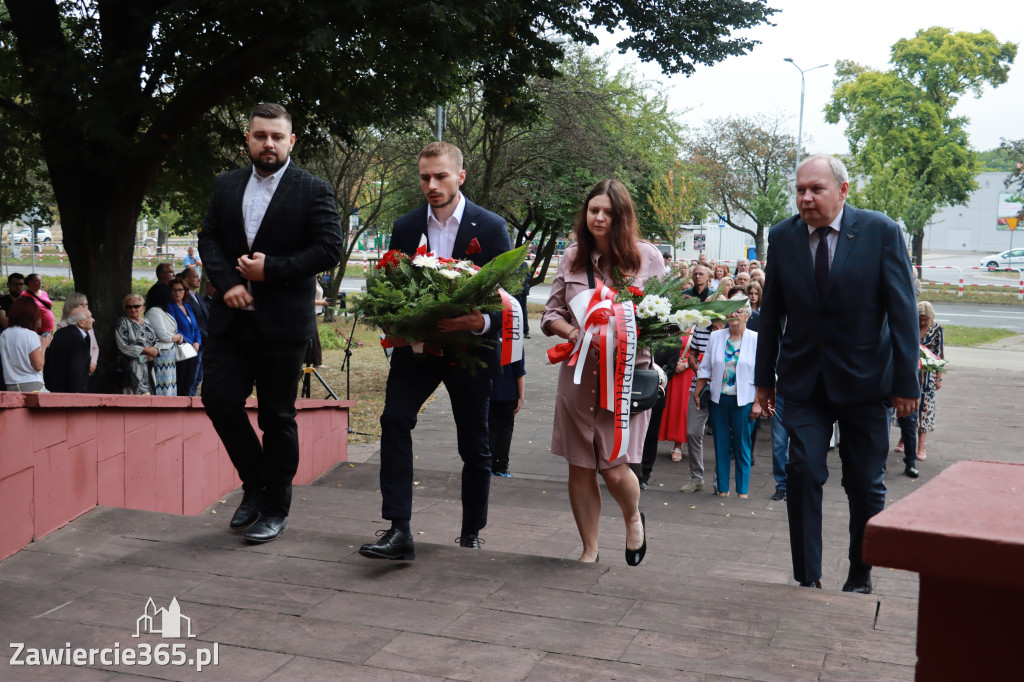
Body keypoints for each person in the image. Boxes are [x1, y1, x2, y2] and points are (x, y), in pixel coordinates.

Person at [755, 154, 919, 594]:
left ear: (843, 191)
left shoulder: (880, 232)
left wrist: (908, 383)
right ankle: (808, 573)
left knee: (865, 483)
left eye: (816, 189)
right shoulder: (783, 237)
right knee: (803, 470)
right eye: (800, 190)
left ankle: (860, 572)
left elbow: (903, 312)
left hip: (867, 383)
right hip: (804, 381)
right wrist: (762, 383)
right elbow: (770, 315)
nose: (806, 198)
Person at [199, 102, 343, 544]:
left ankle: (275, 507)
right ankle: (255, 484)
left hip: (282, 327)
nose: (268, 144)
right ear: (248, 138)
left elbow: (328, 249)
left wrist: (271, 270)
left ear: (291, 141)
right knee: (219, 402)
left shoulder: (312, 189)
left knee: (276, 417)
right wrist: (227, 285)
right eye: (260, 135)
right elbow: (209, 238)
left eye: (277, 137)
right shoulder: (227, 185)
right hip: (231, 322)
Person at [359, 141, 509, 560]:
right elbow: (393, 286)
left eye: (441, 176)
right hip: (417, 349)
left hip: (470, 349)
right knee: (393, 420)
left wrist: (478, 321)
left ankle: (470, 532)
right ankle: (399, 528)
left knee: (474, 444)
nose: (431, 184)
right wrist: (396, 322)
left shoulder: (491, 227)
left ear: (460, 176)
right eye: (425, 177)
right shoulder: (406, 227)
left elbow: (510, 296)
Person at [541, 178, 663, 565]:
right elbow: (550, 314)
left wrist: (627, 331)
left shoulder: (647, 258)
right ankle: (589, 550)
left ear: (622, 217)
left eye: (608, 212)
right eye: (594, 210)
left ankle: (632, 516)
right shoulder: (572, 257)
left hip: (624, 379)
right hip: (578, 379)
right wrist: (578, 331)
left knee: (613, 468)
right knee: (580, 466)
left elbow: (668, 316)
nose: (599, 217)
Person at [694, 294, 760, 497]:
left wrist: (758, 403)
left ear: (748, 316)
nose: (734, 315)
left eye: (739, 311)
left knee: (742, 446)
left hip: (744, 400)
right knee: (721, 445)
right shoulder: (716, 337)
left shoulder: (756, 339)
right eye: (731, 310)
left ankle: (742, 491)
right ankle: (723, 489)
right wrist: (698, 392)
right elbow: (704, 368)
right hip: (718, 399)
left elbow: (762, 374)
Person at [488, 340, 525, 478]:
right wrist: (520, 396)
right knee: (505, 429)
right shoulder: (514, 337)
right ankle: (502, 466)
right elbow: (519, 371)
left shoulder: (486, 334)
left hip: (488, 390)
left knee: (489, 427)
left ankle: (488, 463)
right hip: (509, 391)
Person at [0, 297, 51, 391]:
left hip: (10, 384)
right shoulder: (31, 335)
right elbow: (38, 366)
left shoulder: (4, 334)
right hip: (31, 384)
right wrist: (43, 346)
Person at [915, 301, 944, 462]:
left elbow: (940, 354)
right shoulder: (911, 326)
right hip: (911, 375)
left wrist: (939, 378)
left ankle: (921, 445)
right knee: (909, 409)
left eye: (926, 319)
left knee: (925, 409)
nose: (923, 322)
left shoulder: (937, 329)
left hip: (927, 377)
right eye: (921, 318)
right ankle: (905, 439)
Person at [115, 294, 159, 394]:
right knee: (134, 396)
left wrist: (155, 351)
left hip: (148, 365)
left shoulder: (147, 322)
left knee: (150, 396)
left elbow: (155, 340)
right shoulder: (122, 323)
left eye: (136, 306)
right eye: (129, 307)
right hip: (132, 367)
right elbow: (123, 346)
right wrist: (146, 350)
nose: (133, 309)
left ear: (143, 306)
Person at [144, 284, 182, 396]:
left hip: (169, 354)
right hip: (162, 353)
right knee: (163, 386)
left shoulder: (162, 311)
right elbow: (163, 335)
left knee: (170, 386)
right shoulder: (154, 312)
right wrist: (177, 337)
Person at [44, 308, 94, 393]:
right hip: (71, 395)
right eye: (90, 317)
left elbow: (48, 362)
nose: (93, 320)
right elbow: (77, 373)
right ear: (81, 323)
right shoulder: (78, 340)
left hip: (54, 390)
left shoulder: (59, 333)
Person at [167, 276, 201, 396]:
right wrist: (189, 343)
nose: (177, 293)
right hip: (182, 349)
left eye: (180, 290)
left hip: (193, 349)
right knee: (181, 381)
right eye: (174, 290)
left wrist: (197, 342)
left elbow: (195, 327)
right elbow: (174, 328)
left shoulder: (187, 306)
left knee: (191, 381)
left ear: (185, 291)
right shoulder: (170, 306)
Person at [56, 292, 99, 377]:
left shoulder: (87, 323)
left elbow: (95, 347)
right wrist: (86, 364)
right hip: (74, 370)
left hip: (89, 369)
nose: (85, 307)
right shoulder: (63, 326)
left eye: (86, 304)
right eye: (81, 304)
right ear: (72, 306)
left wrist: (93, 363)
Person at [181, 269, 209, 396]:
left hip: (204, 343)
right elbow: (194, 322)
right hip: (195, 343)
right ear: (187, 280)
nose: (200, 279)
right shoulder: (185, 299)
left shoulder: (197, 296)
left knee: (199, 377)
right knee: (191, 378)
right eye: (196, 277)